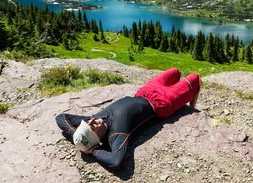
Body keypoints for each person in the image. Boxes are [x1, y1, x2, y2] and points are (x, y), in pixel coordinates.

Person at [55, 68, 201, 169]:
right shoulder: (116, 134)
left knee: (175, 72)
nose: (92, 121)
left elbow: (61, 117)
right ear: (97, 138)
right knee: (195, 78)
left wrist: (77, 137)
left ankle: (188, 99)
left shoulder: (93, 120)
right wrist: (92, 150)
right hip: (162, 103)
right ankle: (192, 107)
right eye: (91, 127)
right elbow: (116, 161)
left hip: (144, 92)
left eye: (88, 123)